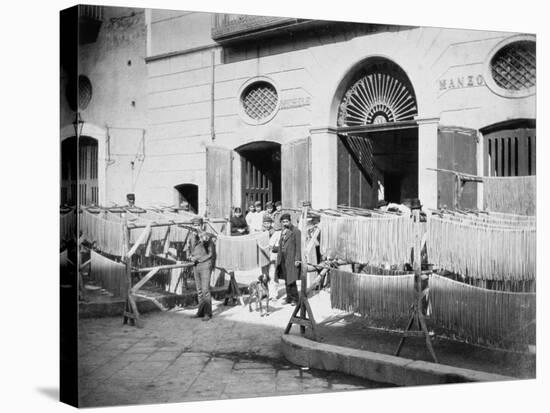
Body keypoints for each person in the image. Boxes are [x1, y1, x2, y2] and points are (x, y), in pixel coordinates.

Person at [186, 217, 215, 321]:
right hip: (196, 265)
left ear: (202, 225)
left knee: (205, 290)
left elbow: (210, 253)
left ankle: (208, 313)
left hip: (205, 264)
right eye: (194, 225)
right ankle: (200, 312)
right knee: (199, 291)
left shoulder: (206, 236)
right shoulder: (191, 236)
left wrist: (198, 258)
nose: (196, 227)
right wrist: (190, 257)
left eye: (198, 225)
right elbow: (188, 249)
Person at [275, 213, 301, 305]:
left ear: (290, 221)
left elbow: (298, 246)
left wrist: (297, 259)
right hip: (283, 258)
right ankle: (289, 297)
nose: (285, 223)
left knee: (291, 278)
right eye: (283, 222)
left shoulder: (296, 231)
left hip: (291, 258)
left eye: (286, 221)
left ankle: (295, 298)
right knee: (286, 278)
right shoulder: (283, 231)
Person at [259, 215, 281, 300]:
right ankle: (265, 293)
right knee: (264, 275)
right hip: (263, 255)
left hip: (272, 255)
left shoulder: (275, 232)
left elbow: (277, 244)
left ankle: (274, 294)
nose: (267, 224)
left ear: (271, 223)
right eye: (265, 223)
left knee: (272, 274)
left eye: (268, 223)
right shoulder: (261, 232)